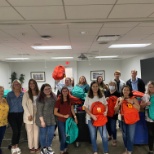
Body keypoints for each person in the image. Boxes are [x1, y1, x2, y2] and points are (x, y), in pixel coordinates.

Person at [83, 81, 109, 154]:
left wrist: (106, 111)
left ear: (98, 87)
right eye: (93, 86)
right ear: (91, 87)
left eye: (96, 86)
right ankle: (95, 151)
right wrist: (92, 115)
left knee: (104, 136)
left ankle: (106, 151)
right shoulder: (88, 96)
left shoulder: (102, 95)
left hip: (101, 118)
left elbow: (106, 104)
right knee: (93, 136)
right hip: (90, 119)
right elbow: (85, 107)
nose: (95, 88)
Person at [114, 85, 140, 154]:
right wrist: (120, 102)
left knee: (130, 136)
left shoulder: (133, 99)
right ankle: (126, 148)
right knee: (124, 135)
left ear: (130, 91)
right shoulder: (119, 99)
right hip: (122, 120)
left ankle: (129, 150)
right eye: (124, 90)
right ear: (122, 91)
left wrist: (132, 103)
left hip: (132, 120)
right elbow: (115, 110)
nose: (126, 91)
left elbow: (138, 109)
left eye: (127, 90)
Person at [54, 86, 78, 154]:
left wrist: (75, 117)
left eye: (66, 91)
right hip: (61, 121)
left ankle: (65, 149)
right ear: (61, 92)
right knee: (64, 137)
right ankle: (62, 150)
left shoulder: (70, 100)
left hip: (69, 121)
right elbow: (55, 112)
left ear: (68, 92)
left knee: (68, 135)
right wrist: (63, 116)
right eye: (63, 91)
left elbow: (72, 109)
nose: (65, 92)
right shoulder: (58, 101)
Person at [35, 83, 57, 154]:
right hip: (42, 119)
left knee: (51, 134)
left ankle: (48, 146)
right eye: (46, 89)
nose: (48, 90)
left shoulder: (54, 97)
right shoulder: (40, 99)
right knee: (43, 134)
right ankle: (43, 148)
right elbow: (39, 111)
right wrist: (42, 121)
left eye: (49, 88)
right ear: (42, 90)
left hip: (51, 118)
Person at [22, 79, 40, 153]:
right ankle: (31, 147)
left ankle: (36, 146)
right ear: (29, 85)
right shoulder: (26, 94)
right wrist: (28, 114)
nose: (32, 85)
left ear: (35, 84)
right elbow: (23, 104)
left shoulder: (39, 93)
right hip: (28, 114)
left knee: (36, 131)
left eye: (33, 83)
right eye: (30, 83)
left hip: (37, 113)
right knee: (29, 132)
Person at [7, 80, 24, 154]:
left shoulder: (23, 94)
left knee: (19, 130)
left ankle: (17, 145)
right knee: (15, 130)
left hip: (20, 114)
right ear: (13, 85)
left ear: (20, 85)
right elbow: (7, 105)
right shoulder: (9, 94)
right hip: (12, 114)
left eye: (18, 84)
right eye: (15, 84)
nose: (16, 85)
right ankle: (13, 146)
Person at [140, 81, 154, 154]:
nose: (151, 88)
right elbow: (141, 107)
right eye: (149, 87)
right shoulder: (145, 96)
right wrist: (146, 104)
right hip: (149, 118)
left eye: (152, 87)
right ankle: (151, 150)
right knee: (151, 134)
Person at [105, 81, 120, 146]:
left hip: (114, 112)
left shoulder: (118, 93)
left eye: (113, 84)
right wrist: (106, 98)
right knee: (107, 126)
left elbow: (119, 102)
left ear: (115, 86)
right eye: (110, 84)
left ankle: (114, 138)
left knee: (113, 126)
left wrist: (117, 110)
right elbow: (102, 100)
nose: (111, 86)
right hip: (106, 112)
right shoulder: (106, 92)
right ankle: (109, 135)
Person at [0, 86, 9, 152]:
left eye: (2, 91)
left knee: (0, 138)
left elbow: (7, 110)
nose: (1, 92)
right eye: (0, 91)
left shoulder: (4, 100)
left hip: (3, 123)